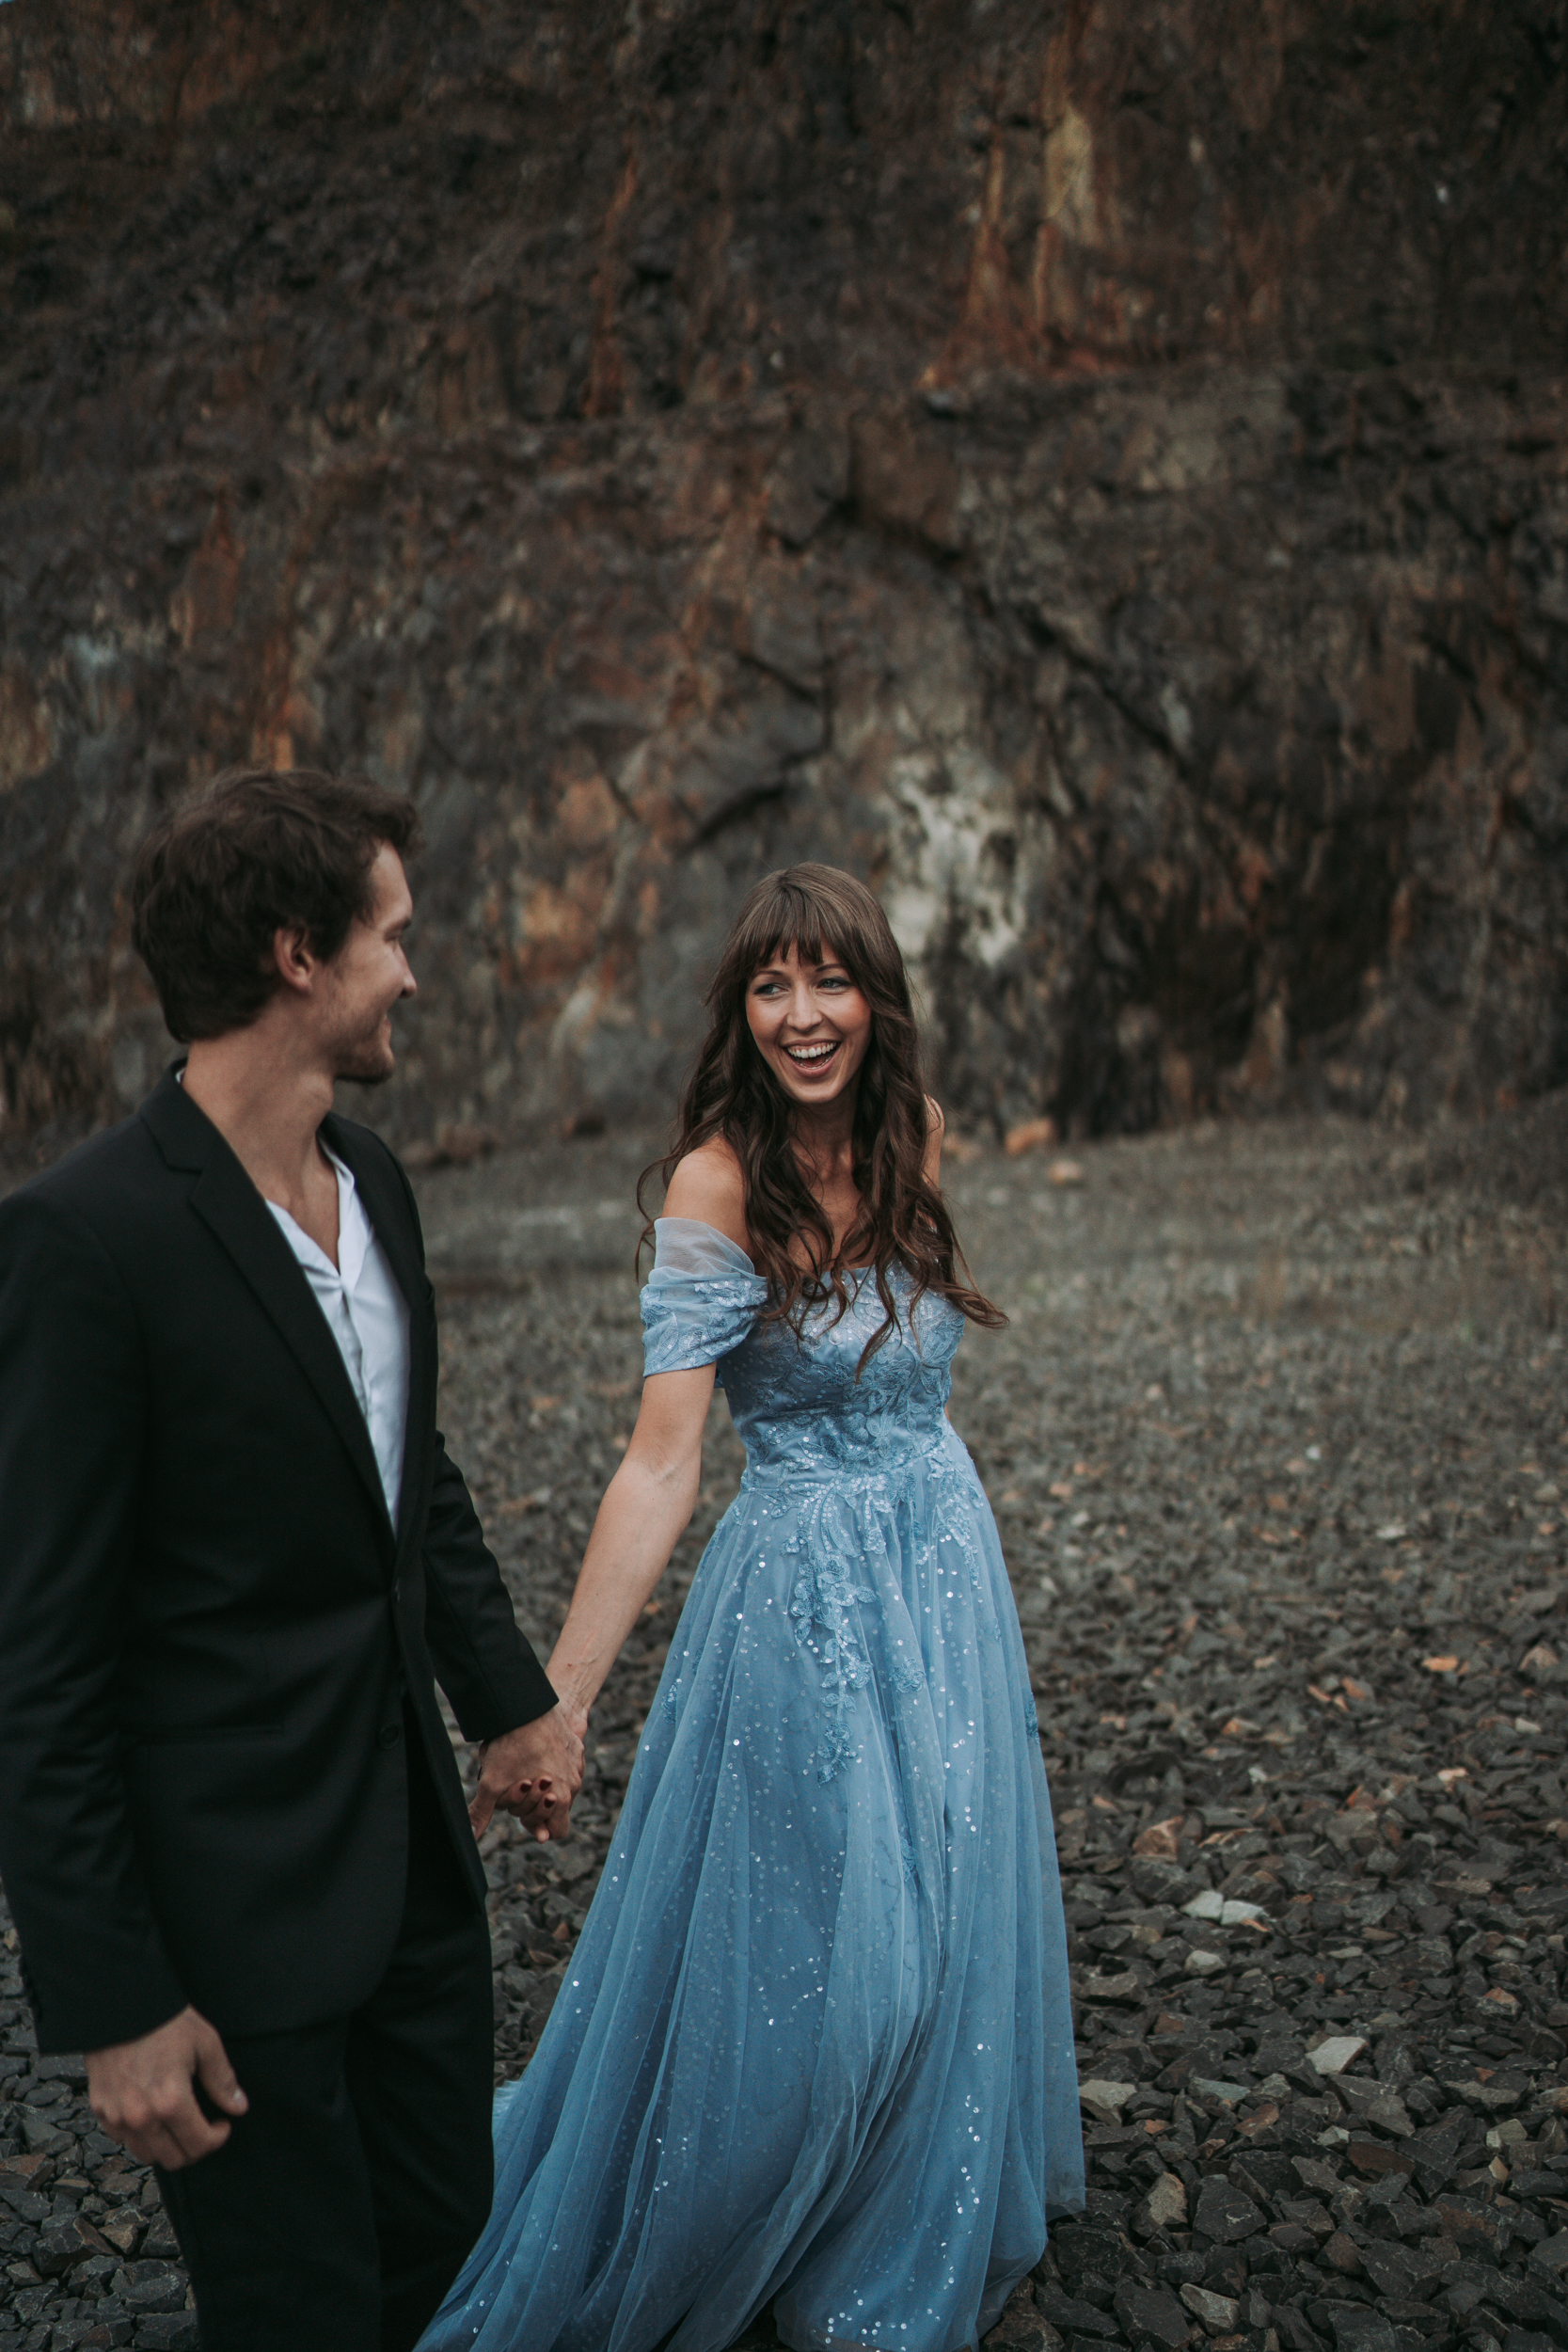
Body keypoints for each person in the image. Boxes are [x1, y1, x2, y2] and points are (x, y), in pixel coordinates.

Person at [422, 864, 1083, 2352]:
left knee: (947, 1916)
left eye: (830, 980)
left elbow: (915, 1369)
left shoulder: (914, 1136)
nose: (803, 1014)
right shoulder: (718, 1183)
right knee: (848, 1960)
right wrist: (557, 1702)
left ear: (875, 998)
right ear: (743, 1012)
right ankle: (729, 2207)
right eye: (772, 986)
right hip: (805, 1604)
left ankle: (874, 2212)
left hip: (944, 1567)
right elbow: (662, 1463)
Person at [0, 767, 583, 2352]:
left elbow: (413, 1484)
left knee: (447, 2264)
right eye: (392, 935)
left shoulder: (376, 1181)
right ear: (296, 956)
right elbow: (38, 1663)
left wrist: (511, 1705)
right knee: (299, 2314)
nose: (415, 970)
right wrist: (114, 2002)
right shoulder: (84, 1240)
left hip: (413, 1882)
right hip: (230, 1924)